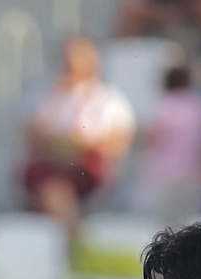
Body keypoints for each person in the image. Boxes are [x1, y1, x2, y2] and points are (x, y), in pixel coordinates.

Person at [21, 36, 136, 236]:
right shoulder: (46, 96)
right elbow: (30, 135)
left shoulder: (109, 99)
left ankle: (68, 237)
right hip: (51, 166)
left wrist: (81, 144)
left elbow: (118, 143)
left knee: (56, 189)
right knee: (51, 185)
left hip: (88, 168)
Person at [135, 62, 201, 224]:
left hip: (164, 174)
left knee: (164, 224)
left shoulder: (164, 105)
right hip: (192, 172)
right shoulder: (198, 105)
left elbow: (154, 139)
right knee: (186, 221)